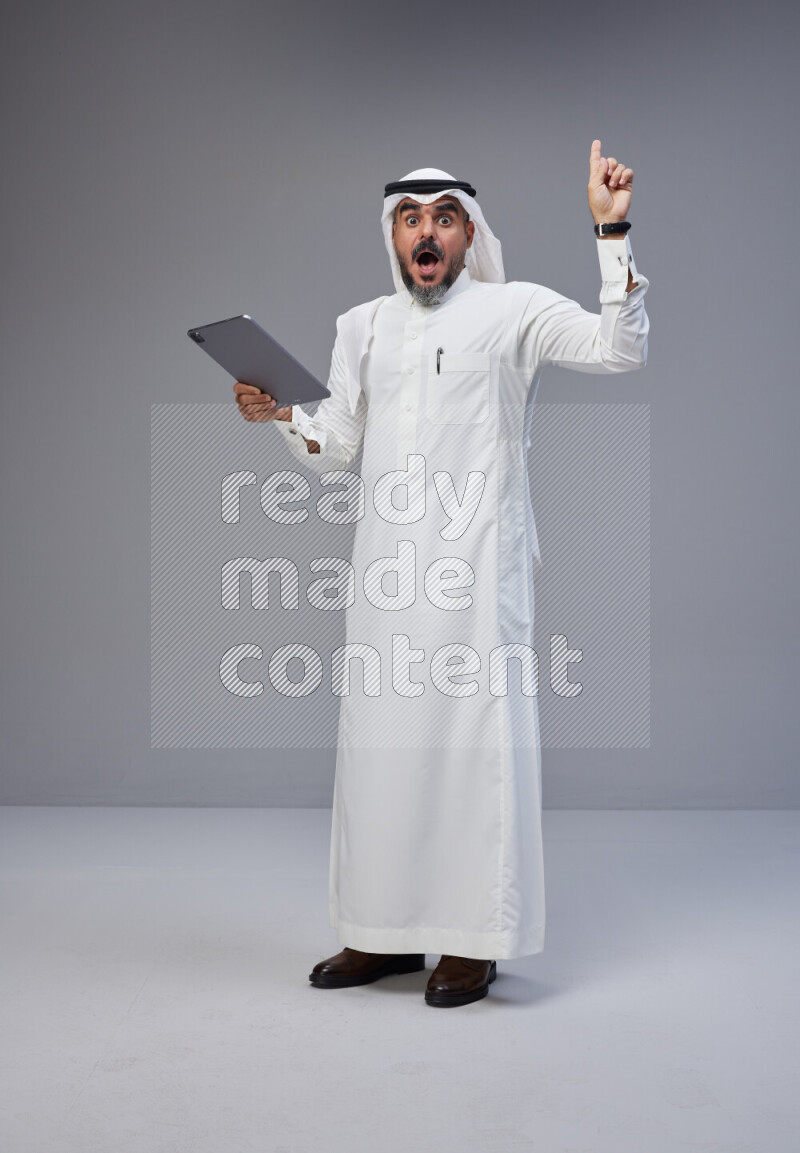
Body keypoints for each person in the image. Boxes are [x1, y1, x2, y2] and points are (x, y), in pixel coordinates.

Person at [234, 141, 649, 1008]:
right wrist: (279, 413)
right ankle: (379, 932)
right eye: (411, 219)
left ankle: (473, 941)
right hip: (386, 577)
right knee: (380, 753)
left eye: (445, 219)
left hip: (479, 575)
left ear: (468, 234)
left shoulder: (514, 309)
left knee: (474, 753)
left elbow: (619, 349)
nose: (427, 233)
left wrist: (612, 234)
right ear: (393, 236)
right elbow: (335, 447)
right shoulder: (362, 325)